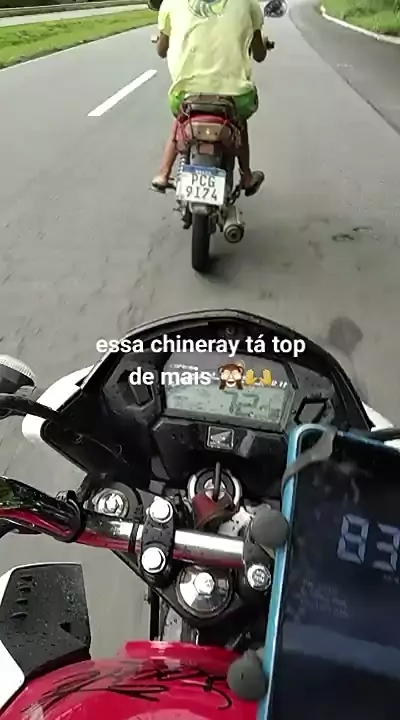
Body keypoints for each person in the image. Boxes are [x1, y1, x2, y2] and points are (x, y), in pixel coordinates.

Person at [151, 0, 270, 195]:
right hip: (235, 96)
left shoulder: (171, 2)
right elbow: (259, 54)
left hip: (186, 95)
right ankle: (247, 177)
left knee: (181, 116)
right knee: (239, 121)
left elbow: (161, 51)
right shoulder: (249, 3)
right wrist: (261, 44)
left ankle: (163, 173)